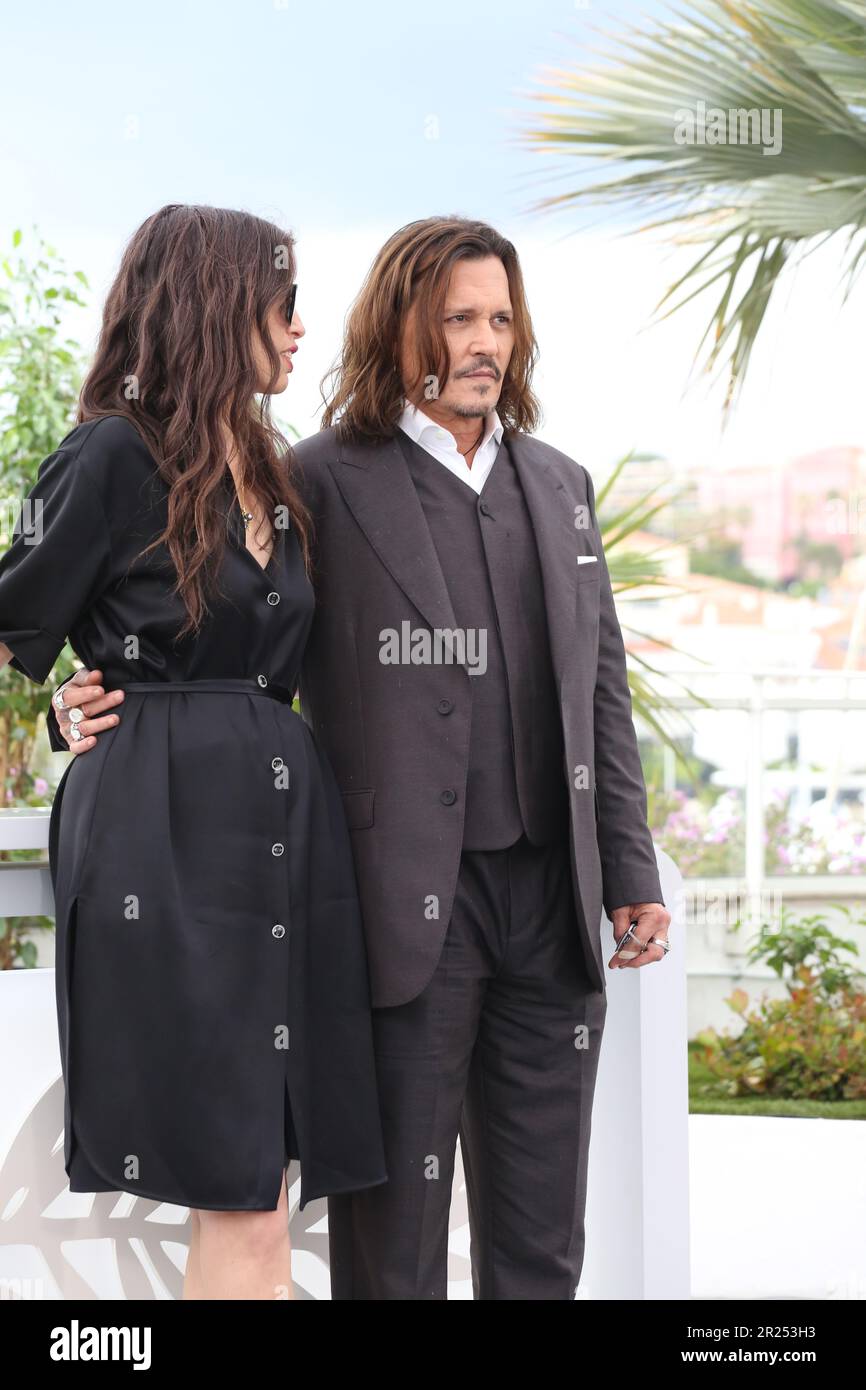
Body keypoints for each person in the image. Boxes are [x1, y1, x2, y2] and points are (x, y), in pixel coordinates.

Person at [51, 215, 670, 1301]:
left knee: (542, 1244)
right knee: (391, 1252)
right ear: (400, 331)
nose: (485, 343)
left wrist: (628, 873)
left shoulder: (561, 486)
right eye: (459, 320)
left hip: (552, 913)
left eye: (500, 321)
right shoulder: (315, 481)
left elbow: (600, 696)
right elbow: (233, 640)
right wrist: (94, 693)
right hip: (395, 914)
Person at [0, 204, 386, 1301]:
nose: (301, 329)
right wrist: (60, 715)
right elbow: (16, 616)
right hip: (162, 845)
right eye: (283, 304)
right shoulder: (110, 455)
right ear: (218, 306)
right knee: (242, 1185)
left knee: (264, 1178)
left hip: (282, 842)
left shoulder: (271, 469)